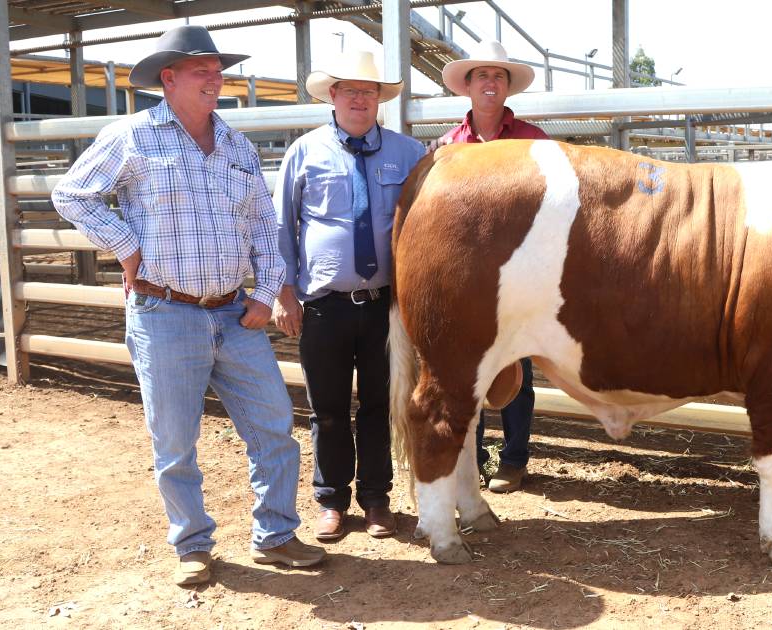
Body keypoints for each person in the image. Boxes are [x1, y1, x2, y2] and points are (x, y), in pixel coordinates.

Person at [52, 25, 324, 587]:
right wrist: (126, 247)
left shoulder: (236, 145)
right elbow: (71, 193)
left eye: (217, 69)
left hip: (233, 312)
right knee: (175, 440)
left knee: (274, 425)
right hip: (165, 312)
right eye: (201, 70)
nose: (214, 78)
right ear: (168, 79)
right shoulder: (132, 136)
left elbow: (262, 228)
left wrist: (267, 293)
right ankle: (193, 544)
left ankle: (275, 535)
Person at [273, 50, 424, 541]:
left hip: (385, 306)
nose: (360, 98)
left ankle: (377, 500)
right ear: (332, 96)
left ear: (380, 99)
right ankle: (331, 500)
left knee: (382, 404)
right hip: (324, 305)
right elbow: (283, 225)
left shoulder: (410, 154)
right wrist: (284, 291)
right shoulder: (305, 151)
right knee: (328, 408)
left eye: (370, 90)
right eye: (351, 90)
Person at [437, 40, 549, 493]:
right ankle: (477, 456)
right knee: (469, 372)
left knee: (517, 372)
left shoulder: (534, 141)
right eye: (481, 75)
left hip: (521, 278)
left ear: (507, 88)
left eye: (498, 76)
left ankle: (515, 459)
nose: (489, 82)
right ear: (468, 86)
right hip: (468, 283)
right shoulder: (447, 148)